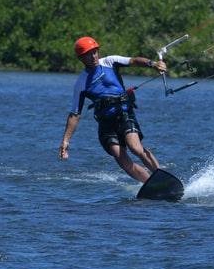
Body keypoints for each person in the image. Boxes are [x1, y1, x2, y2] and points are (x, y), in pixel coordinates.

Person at [59, 36, 167, 184]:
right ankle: (149, 183)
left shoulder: (110, 61)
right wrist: (65, 141)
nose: (93, 56)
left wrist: (153, 64)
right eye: (88, 55)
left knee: (135, 148)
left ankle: (161, 176)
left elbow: (134, 61)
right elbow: (75, 114)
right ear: (81, 58)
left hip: (124, 114)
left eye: (95, 52)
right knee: (120, 157)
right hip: (106, 124)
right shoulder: (81, 83)